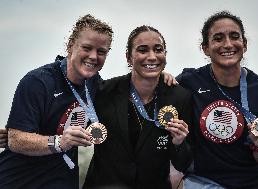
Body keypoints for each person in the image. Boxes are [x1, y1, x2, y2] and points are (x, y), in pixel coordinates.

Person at [0, 14, 114, 189]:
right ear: (70, 46)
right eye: (87, 48)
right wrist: (60, 142)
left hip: (62, 180)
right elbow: (15, 140)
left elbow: (130, 89)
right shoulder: (38, 82)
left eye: (101, 52)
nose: (93, 56)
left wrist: (161, 79)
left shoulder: (94, 83)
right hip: (20, 181)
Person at [176, 11, 258, 189]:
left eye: (235, 37)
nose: (228, 44)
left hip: (255, 183)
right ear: (205, 48)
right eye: (218, 38)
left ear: (244, 44)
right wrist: (162, 76)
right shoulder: (189, 82)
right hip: (205, 182)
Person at [83, 25, 193, 189]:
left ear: (165, 55)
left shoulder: (180, 97)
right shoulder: (104, 91)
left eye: (158, 49)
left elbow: (184, 164)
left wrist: (179, 143)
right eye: (143, 50)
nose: (152, 56)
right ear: (129, 57)